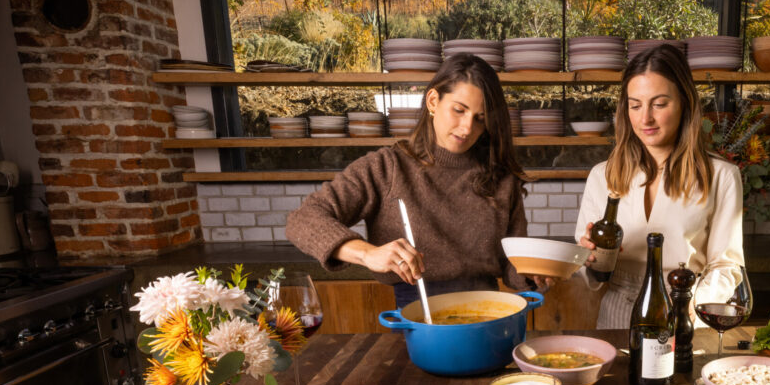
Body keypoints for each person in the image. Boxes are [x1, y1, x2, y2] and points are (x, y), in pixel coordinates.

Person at [286, 53, 551, 308]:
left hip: (489, 315)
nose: (468, 128)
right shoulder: (387, 167)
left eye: (480, 119)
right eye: (459, 110)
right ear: (433, 101)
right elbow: (303, 220)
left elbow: (511, 265)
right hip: (414, 317)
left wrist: (535, 274)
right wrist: (367, 254)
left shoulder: (501, 178)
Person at [574, 44, 744, 328]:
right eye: (635, 105)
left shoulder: (721, 176)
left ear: (684, 103)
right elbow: (590, 275)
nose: (645, 119)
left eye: (659, 104)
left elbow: (726, 266)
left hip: (684, 312)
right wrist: (590, 259)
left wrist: (693, 303)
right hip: (618, 316)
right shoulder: (602, 176)